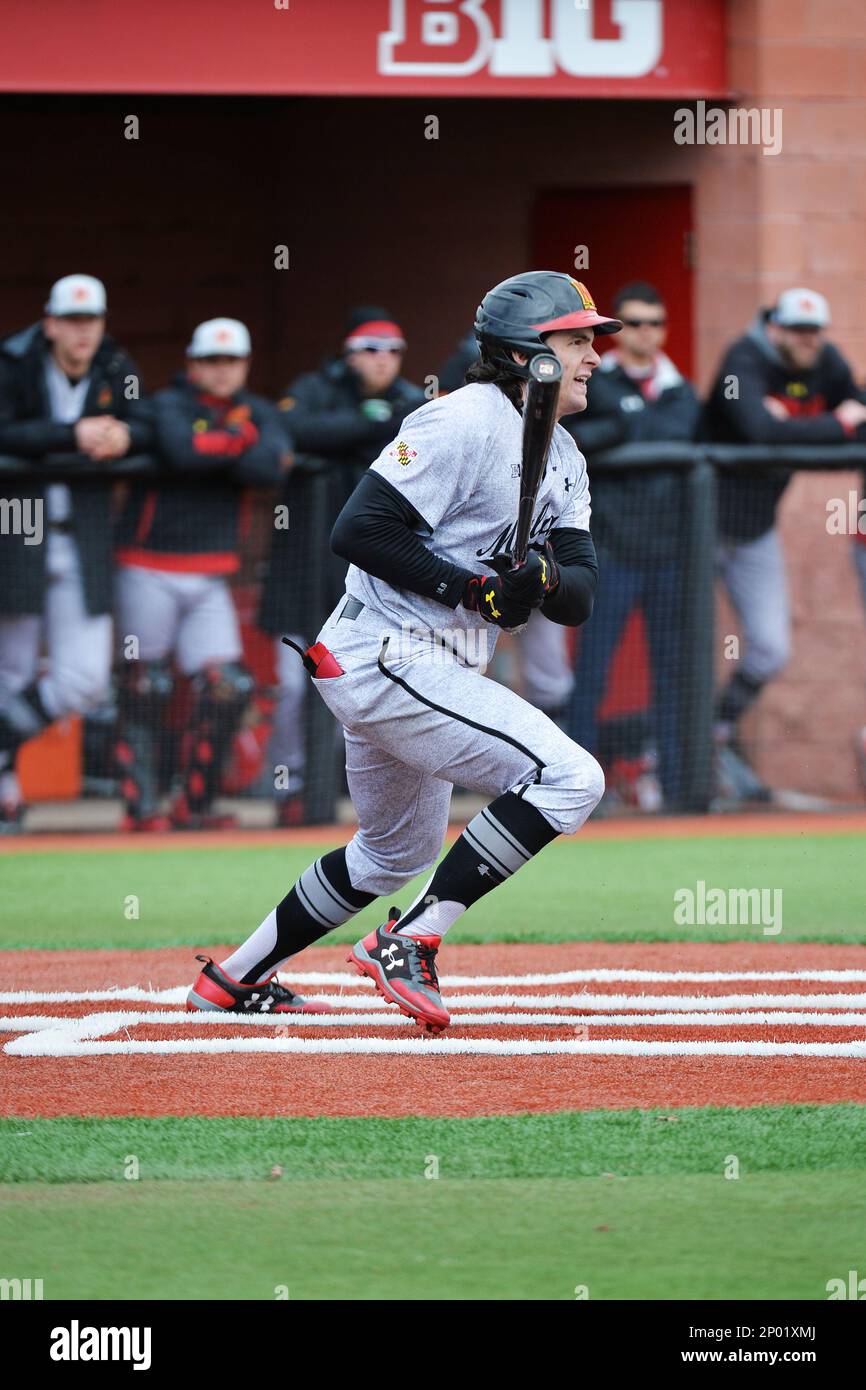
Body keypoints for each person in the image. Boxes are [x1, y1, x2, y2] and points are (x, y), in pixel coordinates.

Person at [186, 272, 621, 1027]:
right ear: (529, 354)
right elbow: (358, 530)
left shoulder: (566, 456)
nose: (593, 356)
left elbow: (578, 591)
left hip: (432, 664)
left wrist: (539, 576)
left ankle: (234, 978)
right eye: (577, 340)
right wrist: (474, 589)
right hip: (386, 649)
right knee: (570, 777)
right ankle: (411, 937)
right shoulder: (463, 421)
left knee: (392, 854)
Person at [113, 318, 289, 831]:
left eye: (231, 361)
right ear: (192, 364)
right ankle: (142, 808)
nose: (221, 370)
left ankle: (193, 803)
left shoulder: (257, 409)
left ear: (245, 364)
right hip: (147, 563)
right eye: (211, 361)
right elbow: (181, 451)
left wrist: (221, 443)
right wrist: (237, 441)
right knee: (145, 684)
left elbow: (272, 463)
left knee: (228, 686)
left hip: (211, 571)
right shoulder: (164, 405)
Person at [259, 306, 425, 825]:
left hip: (370, 572)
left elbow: (416, 446)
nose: (384, 361)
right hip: (302, 563)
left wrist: (366, 431)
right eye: (372, 350)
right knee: (293, 682)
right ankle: (290, 780)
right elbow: (288, 427)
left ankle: (334, 784)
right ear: (350, 353)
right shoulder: (316, 386)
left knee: (354, 680)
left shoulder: (408, 401)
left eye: (394, 350)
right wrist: (362, 425)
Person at [0, 273, 152, 832]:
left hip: (83, 532)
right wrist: (72, 435)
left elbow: (151, 423)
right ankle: (6, 794)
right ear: (50, 323)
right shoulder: (13, 362)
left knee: (84, 677)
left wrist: (126, 439)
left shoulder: (116, 366)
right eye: (71, 320)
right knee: (10, 667)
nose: (82, 332)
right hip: (17, 529)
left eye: (91, 321)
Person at [704, 287, 866, 798]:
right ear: (774, 326)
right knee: (683, 647)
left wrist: (793, 423)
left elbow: (860, 404)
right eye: (797, 330)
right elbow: (757, 430)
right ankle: (673, 758)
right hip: (698, 525)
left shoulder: (824, 360)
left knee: (770, 647)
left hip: (756, 528)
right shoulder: (742, 358)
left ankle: (717, 729)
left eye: (814, 331)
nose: (807, 340)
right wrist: (835, 422)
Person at [562, 280, 700, 810]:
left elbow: (684, 430)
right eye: (636, 322)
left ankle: (676, 788)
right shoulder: (594, 376)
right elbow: (575, 435)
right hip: (610, 550)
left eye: (656, 323)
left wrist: (623, 425)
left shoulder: (677, 387)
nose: (647, 332)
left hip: (668, 554)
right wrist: (624, 425)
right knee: (591, 671)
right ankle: (575, 791)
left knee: (673, 672)